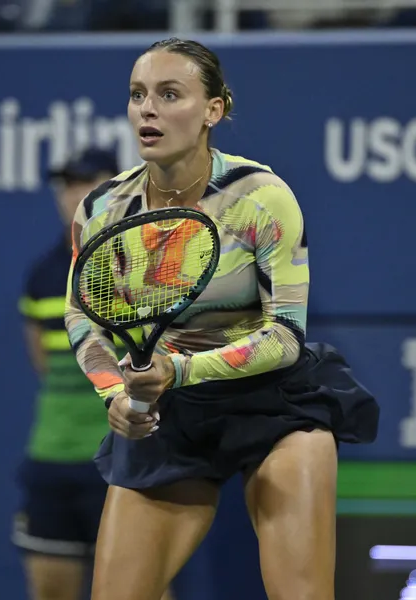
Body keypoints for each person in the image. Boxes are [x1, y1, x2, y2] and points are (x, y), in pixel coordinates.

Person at [64, 38, 380, 600]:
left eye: (169, 94)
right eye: (138, 95)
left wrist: (179, 370)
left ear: (213, 110)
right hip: (173, 415)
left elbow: (285, 337)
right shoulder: (103, 209)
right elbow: (83, 317)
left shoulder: (261, 197)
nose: (148, 110)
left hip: (273, 405)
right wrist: (114, 392)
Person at [12, 148, 175, 600]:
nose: (72, 194)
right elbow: (44, 364)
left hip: (127, 463)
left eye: (85, 181)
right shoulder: (42, 275)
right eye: (65, 184)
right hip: (52, 461)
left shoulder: (150, 268)